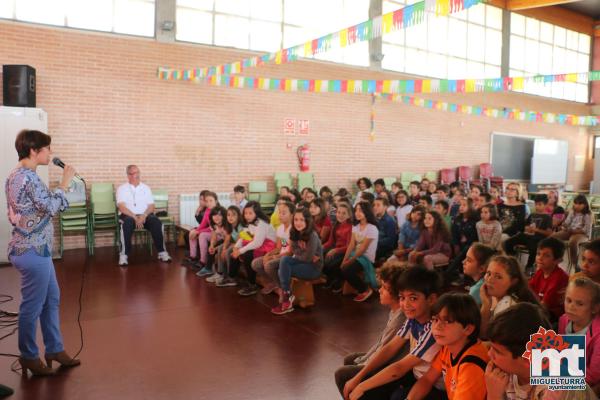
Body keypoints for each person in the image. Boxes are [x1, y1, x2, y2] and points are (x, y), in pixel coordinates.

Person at [5, 129, 81, 375]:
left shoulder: (19, 175)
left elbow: (41, 205)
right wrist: (65, 185)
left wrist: (58, 191)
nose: (51, 153)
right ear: (33, 151)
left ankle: (54, 349)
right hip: (31, 250)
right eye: (47, 148)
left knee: (51, 300)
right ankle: (28, 355)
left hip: (39, 249)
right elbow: (49, 207)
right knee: (32, 306)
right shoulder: (27, 177)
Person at [343, 267, 443, 400]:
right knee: (354, 380)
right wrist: (359, 377)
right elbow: (389, 347)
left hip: (436, 386)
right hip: (416, 375)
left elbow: (399, 368)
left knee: (390, 394)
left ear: (431, 299)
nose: (405, 304)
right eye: (402, 297)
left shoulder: (434, 328)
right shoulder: (413, 320)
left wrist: (361, 385)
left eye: (413, 298)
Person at [485, 302, 597, 399]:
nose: (489, 354)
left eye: (497, 352)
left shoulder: (557, 386)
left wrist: (494, 396)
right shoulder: (505, 374)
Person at [334, 264, 407, 394]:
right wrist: (363, 360)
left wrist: (362, 367)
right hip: (387, 359)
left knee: (342, 374)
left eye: (384, 288)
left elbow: (386, 349)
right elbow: (380, 343)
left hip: (390, 366)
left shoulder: (401, 318)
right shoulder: (394, 311)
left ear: (397, 293)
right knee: (351, 359)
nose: (379, 290)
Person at [406, 293, 489, 400]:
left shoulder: (471, 367)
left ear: (468, 329)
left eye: (447, 321)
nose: (437, 326)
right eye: (435, 319)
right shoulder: (448, 347)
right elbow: (427, 379)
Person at [116, 164, 172, 266]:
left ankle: (162, 252)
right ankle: (124, 255)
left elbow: (151, 206)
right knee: (126, 223)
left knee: (156, 222)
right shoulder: (122, 188)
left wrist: (143, 216)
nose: (135, 175)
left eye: (137, 172)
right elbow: (121, 207)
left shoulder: (146, 188)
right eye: (132, 173)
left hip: (144, 215)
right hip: (128, 216)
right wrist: (134, 217)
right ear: (128, 175)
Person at [271, 208, 323, 315]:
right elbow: (293, 250)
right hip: (301, 262)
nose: (298, 223)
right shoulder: (292, 231)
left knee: (282, 269)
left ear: (308, 221)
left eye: (302, 220)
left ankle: (286, 299)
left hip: (313, 267)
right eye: (296, 220)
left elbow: (308, 258)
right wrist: (303, 253)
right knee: (284, 261)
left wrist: (303, 255)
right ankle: (287, 296)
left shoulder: (312, 235)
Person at [558, 277, 600, 394]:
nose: (571, 307)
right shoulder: (564, 320)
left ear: (594, 308)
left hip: (585, 385)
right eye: (569, 300)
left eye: (579, 303)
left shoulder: (598, 335)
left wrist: (562, 380)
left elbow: (594, 375)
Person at [504, 194, 553, 273]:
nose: (537, 207)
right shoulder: (532, 214)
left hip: (538, 238)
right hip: (527, 236)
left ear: (545, 205)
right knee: (508, 242)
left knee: (534, 248)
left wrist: (536, 230)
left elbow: (549, 233)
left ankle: (529, 266)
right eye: (536, 204)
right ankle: (512, 261)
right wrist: (527, 228)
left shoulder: (547, 217)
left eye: (539, 204)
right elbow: (526, 226)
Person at [528, 237, 569, 322]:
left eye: (546, 255)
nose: (540, 258)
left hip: (553, 315)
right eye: (538, 254)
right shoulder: (540, 272)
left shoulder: (559, 277)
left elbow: (545, 305)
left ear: (558, 260)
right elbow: (528, 291)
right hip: (539, 306)